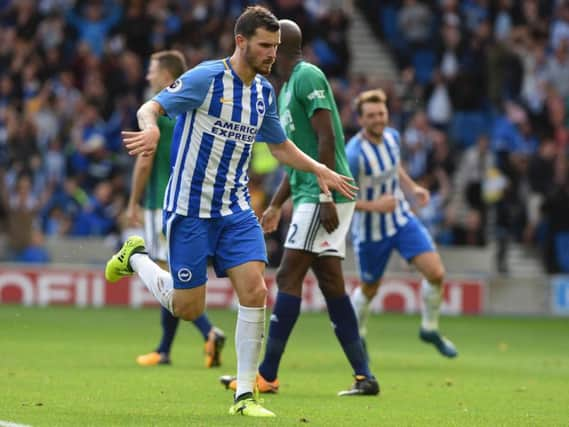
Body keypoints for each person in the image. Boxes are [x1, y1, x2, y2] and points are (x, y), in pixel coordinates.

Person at [105, 6, 356, 418]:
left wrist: (319, 168)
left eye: (276, 47)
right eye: (265, 46)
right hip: (190, 209)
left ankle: (245, 395)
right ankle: (135, 256)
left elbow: (278, 146)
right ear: (241, 42)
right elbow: (151, 108)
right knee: (189, 309)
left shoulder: (262, 93)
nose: (273, 54)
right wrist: (150, 127)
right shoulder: (207, 77)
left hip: (235, 209)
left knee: (256, 290)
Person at [220, 19, 379, 397]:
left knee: (288, 277)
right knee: (331, 283)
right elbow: (300, 158)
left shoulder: (307, 76)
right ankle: (364, 376)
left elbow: (326, 139)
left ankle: (267, 375)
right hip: (312, 192)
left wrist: (324, 195)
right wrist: (276, 204)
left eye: (272, 45)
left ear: (283, 45)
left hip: (323, 196)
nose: (268, 52)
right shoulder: (288, 86)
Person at [125, 50, 225, 368]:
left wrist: (132, 202)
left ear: (167, 76)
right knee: (173, 277)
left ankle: (203, 334)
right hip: (188, 202)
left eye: (152, 71)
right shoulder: (189, 111)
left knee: (166, 280)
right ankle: (167, 348)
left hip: (161, 203)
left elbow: (144, 162)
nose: (148, 76)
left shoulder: (159, 114)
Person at [346, 89, 458, 359]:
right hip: (371, 231)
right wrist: (375, 206)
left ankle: (429, 328)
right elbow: (341, 200)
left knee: (436, 273)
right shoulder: (353, 154)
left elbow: (395, 167)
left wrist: (413, 188)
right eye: (371, 115)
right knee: (370, 289)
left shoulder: (393, 138)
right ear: (361, 120)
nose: (378, 119)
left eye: (381, 113)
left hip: (401, 220)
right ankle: (358, 334)